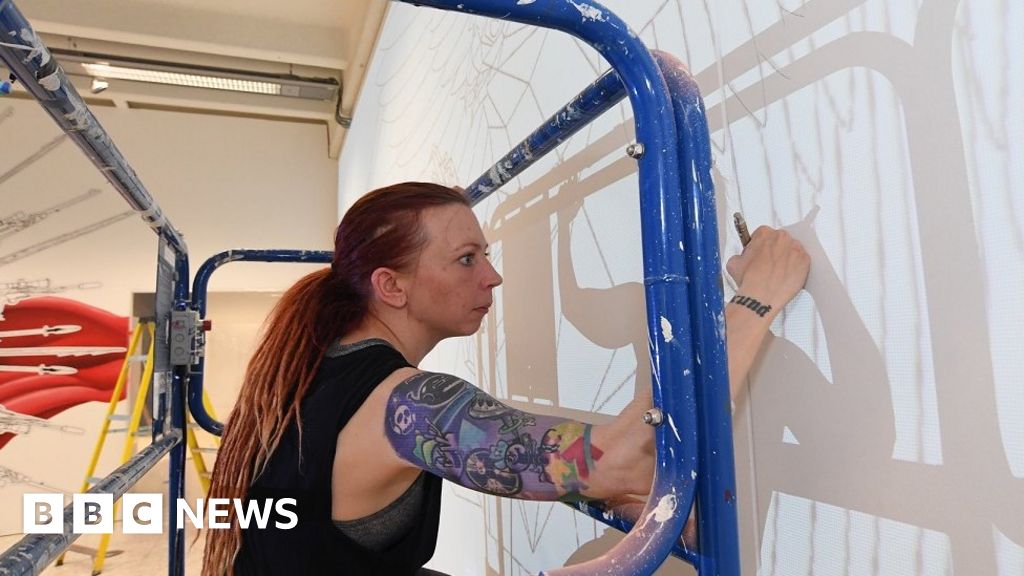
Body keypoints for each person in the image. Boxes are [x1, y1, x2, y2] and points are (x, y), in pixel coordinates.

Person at [201, 182, 810, 575]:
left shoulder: (315, 367)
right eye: (466, 259)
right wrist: (756, 297)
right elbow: (635, 453)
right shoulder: (409, 406)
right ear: (391, 286)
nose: (491, 276)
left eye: (485, 255)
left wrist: (605, 487)